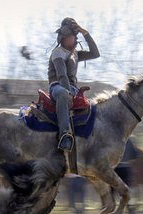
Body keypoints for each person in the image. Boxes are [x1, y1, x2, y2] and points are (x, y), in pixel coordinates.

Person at [48, 17, 100, 151]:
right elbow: (62, 75)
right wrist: (69, 93)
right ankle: (65, 135)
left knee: (94, 107)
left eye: (73, 36)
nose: (72, 39)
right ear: (62, 38)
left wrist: (85, 33)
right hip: (58, 87)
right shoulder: (57, 52)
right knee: (63, 93)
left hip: (73, 89)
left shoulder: (76, 53)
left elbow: (95, 53)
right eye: (69, 36)